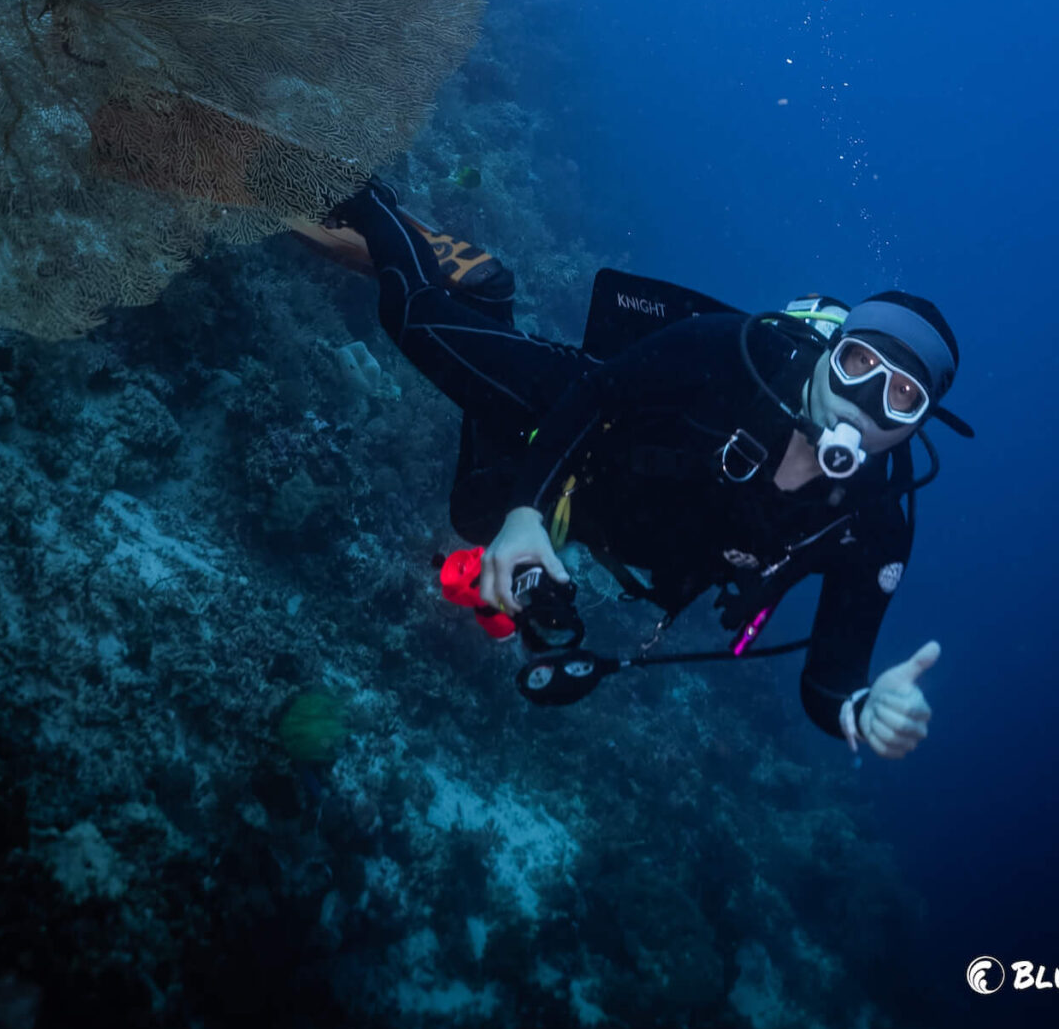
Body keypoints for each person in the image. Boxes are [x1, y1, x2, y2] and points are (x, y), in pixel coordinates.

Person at [296, 183, 969, 754]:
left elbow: (830, 682)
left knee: (471, 512)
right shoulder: (742, 353)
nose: (865, 400)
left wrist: (860, 713)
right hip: (583, 416)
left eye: (902, 396)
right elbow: (601, 394)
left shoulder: (876, 522)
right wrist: (530, 512)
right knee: (414, 319)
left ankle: (485, 296)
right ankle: (361, 194)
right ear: (832, 349)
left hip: (615, 516)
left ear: (918, 423)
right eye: (859, 364)